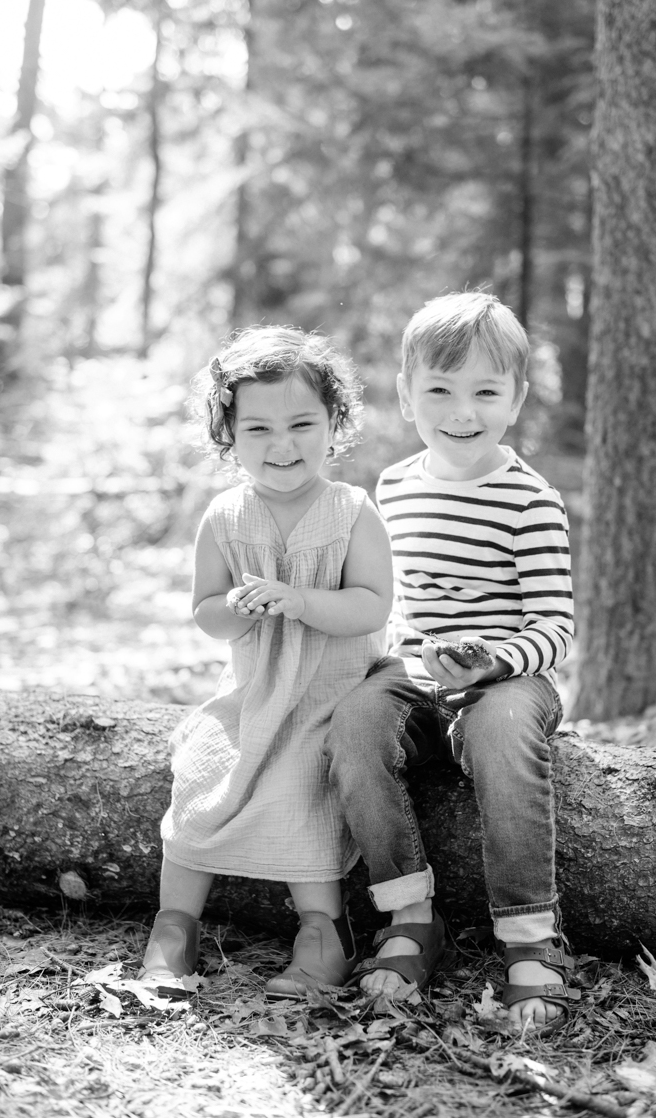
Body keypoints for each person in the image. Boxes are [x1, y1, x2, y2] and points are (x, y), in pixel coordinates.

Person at [325, 292, 578, 1031]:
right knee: (355, 725)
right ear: (407, 395)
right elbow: (392, 601)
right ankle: (410, 917)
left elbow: (555, 624)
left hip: (509, 681)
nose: (460, 410)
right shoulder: (395, 487)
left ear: (516, 400)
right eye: (438, 389)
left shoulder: (530, 501)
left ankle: (531, 937)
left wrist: (496, 663)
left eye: (484, 392)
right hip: (417, 673)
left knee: (500, 734)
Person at [140, 325, 393, 999]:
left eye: (302, 424)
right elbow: (205, 612)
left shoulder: (351, 512)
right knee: (198, 780)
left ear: (334, 423)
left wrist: (300, 599)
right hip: (252, 691)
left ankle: (321, 933)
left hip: (330, 693)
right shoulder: (224, 517)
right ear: (229, 437)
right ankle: (174, 927)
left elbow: (372, 607)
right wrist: (238, 608)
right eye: (257, 430)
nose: (282, 446)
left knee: (302, 794)